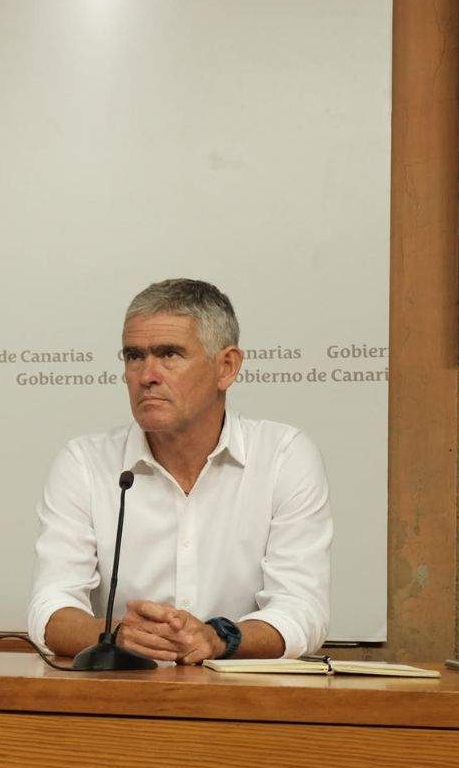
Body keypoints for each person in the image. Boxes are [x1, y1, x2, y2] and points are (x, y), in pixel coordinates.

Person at [28, 278, 332, 663]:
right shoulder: (85, 463)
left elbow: (303, 610)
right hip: (120, 701)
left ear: (226, 367)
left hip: (245, 704)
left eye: (169, 354)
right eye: (134, 356)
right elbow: (50, 607)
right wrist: (117, 635)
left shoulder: (283, 457)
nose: (146, 375)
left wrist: (218, 639)